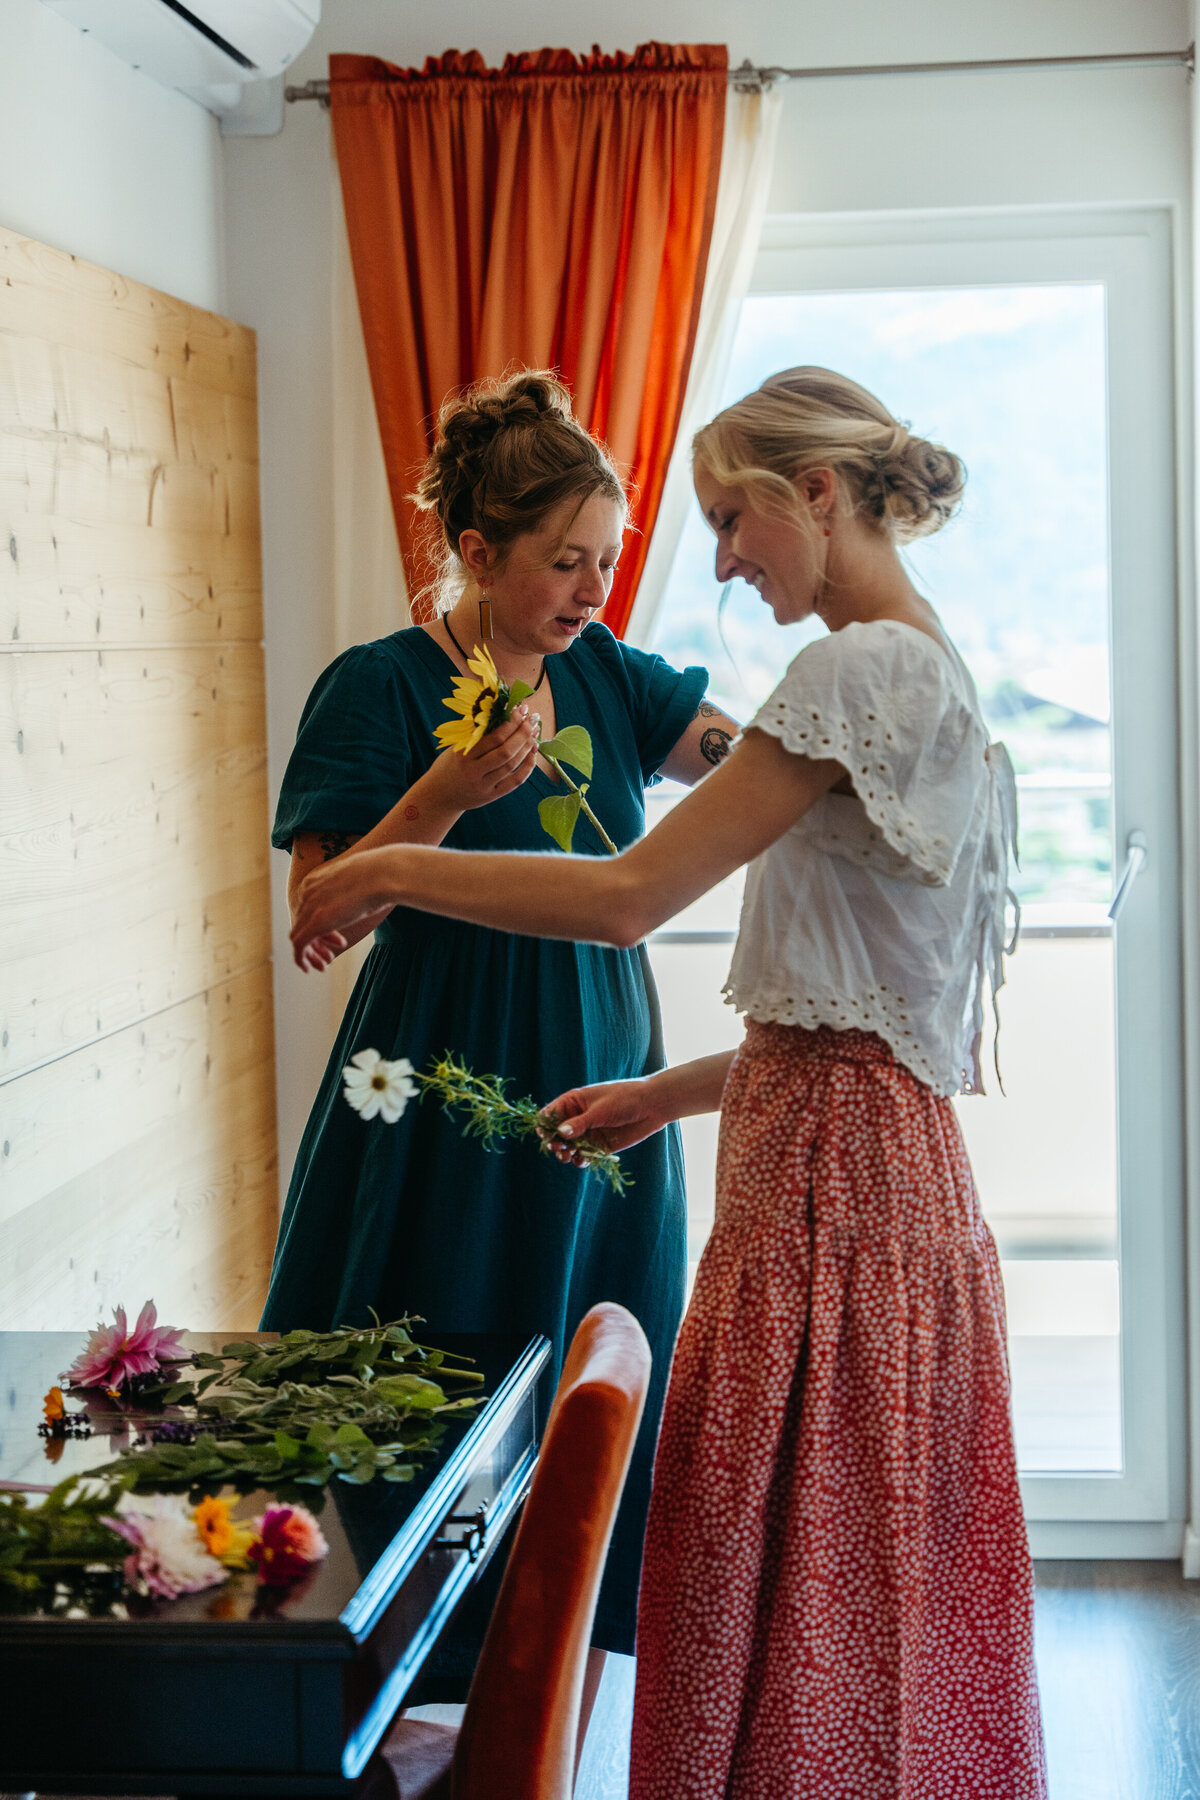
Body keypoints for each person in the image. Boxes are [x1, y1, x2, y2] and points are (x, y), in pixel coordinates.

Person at [288, 366, 1047, 1799]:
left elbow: (636, 890)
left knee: (798, 1563)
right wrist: (664, 1095)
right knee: (848, 1568)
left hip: (826, 1184)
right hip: (853, 1154)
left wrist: (387, 864)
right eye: (573, 556)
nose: (713, 565)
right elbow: (864, 1028)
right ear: (478, 552)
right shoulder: (927, 668)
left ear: (813, 492)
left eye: (722, 521)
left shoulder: (848, 675)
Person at [263, 369, 739, 1673]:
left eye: (608, 560)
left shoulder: (615, 679)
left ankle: (557, 1649)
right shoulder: (375, 689)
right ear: (478, 552)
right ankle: (391, 1659)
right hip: (437, 1056)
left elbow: (732, 759)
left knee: (593, 1331)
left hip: (600, 1049)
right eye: (565, 563)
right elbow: (323, 908)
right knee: (430, 1333)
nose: (594, 592)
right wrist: (450, 790)